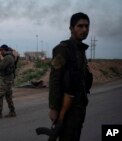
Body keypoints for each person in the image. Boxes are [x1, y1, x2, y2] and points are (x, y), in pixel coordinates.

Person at [48, 12, 93, 141]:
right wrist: (53, 108)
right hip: (67, 109)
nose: (84, 29)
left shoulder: (80, 50)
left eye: (86, 26)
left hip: (79, 107)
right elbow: (55, 79)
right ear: (71, 28)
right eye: (80, 26)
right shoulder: (63, 49)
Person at [0, 44, 16, 119]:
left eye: (1, 50)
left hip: (6, 80)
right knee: (8, 96)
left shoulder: (7, 57)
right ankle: (12, 111)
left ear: (5, 50)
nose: (1, 52)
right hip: (9, 79)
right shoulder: (10, 57)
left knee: (0, 96)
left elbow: (0, 67)